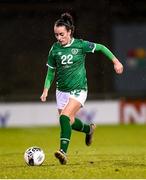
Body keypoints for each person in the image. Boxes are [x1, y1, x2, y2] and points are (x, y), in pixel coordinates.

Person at [40, 12, 123, 165]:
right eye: (56, 35)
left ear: (70, 32)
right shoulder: (54, 49)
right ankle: (88, 129)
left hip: (79, 89)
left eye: (62, 34)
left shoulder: (80, 45)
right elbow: (51, 71)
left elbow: (101, 48)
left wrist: (116, 61)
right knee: (69, 121)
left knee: (64, 117)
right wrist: (46, 90)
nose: (59, 38)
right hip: (61, 91)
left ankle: (63, 152)